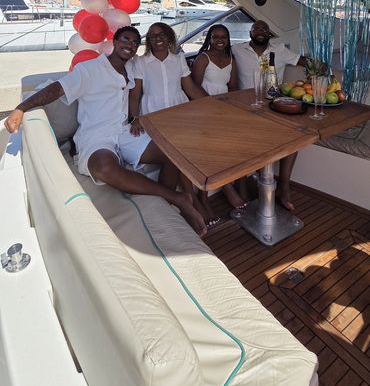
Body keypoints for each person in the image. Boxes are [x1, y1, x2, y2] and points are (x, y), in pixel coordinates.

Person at [4, 25, 206, 237]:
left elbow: (140, 95)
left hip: (124, 131)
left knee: (172, 153)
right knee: (104, 167)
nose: (130, 45)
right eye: (125, 40)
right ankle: (177, 198)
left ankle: (166, 209)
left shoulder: (129, 71)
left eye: (134, 43)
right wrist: (21, 108)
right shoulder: (89, 69)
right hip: (96, 135)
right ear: (115, 43)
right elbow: (58, 88)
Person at [129, 22, 212, 223]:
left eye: (161, 34)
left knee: (186, 148)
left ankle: (197, 197)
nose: (157, 38)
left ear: (169, 37)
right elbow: (135, 94)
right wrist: (134, 117)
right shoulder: (141, 62)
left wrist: (213, 104)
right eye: (152, 36)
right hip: (154, 114)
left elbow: (190, 89)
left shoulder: (179, 59)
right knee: (177, 152)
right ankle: (194, 199)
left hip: (179, 111)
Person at [232, 19, 306, 211]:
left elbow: (302, 61)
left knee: (294, 138)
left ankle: (284, 186)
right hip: (244, 107)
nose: (260, 30)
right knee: (241, 141)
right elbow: (217, 58)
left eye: (264, 28)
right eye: (256, 27)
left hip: (274, 105)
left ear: (269, 33)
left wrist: (323, 69)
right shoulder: (237, 50)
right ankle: (242, 184)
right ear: (250, 32)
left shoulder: (280, 50)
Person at [191, 23, 248, 215]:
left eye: (224, 37)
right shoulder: (203, 58)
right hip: (204, 108)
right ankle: (224, 189)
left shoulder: (230, 59)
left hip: (224, 108)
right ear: (210, 39)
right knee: (211, 148)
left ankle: (239, 183)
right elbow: (194, 88)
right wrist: (209, 107)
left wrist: (234, 110)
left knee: (237, 144)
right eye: (216, 37)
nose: (220, 40)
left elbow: (232, 87)